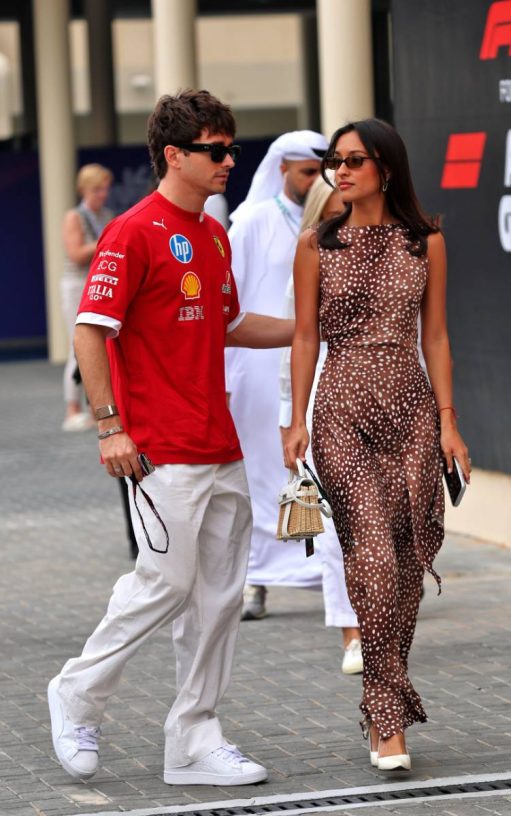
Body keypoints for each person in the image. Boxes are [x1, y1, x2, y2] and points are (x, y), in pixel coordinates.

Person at [47, 89, 294, 788]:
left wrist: (310, 327)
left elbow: (231, 325)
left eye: (231, 149)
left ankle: (193, 738)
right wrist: (109, 427)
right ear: (175, 155)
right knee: (163, 583)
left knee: (217, 598)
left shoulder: (213, 234)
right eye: (215, 150)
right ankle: (77, 691)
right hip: (157, 446)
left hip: (219, 445)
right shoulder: (131, 231)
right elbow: (91, 330)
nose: (228, 161)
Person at [284, 119, 471, 772]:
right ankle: (385, 715)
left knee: (405, 561)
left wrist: (448, 421)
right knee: (370, 556)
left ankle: (383, 696)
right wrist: (295, 418)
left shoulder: (426, 241)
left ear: (385, 168)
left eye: (354, 160)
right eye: (335, 160)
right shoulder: (315, 243)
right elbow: (305, 336)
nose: (341, 170)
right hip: (340, 410)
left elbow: (437, 337)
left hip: (410, 411)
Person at [227, 130, 329, 621]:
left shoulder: (331, 222)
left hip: (313, 367)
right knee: (263, 477)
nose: (315, 182)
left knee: (311, 473)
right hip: (258, 375)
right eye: (307, 172)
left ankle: (325, 573)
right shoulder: (251, 221)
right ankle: (257, 580)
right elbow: (228, 304)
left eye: (320, 173)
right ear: (283, 169)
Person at [278, 174, 362, 674]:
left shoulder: (399, 253)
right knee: (333, 528)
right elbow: (299, 340)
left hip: (389, 397)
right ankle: (351, 632)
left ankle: (379, 623)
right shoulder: (310, 256)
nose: (343, 221)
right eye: (333, 213)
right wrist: (292, 419)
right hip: (323, 400)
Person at [61, 164, 113, 431]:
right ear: (83, 189)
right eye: (97, 189)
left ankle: (96, 410)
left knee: (102, 348)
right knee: (78, 346)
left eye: (105, 189)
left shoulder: (107, 215)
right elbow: (76, 254)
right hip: (76, 284)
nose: (102, 194)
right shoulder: (75, 216)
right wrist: (107, 238)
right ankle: (72, 410)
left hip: (99, 282)